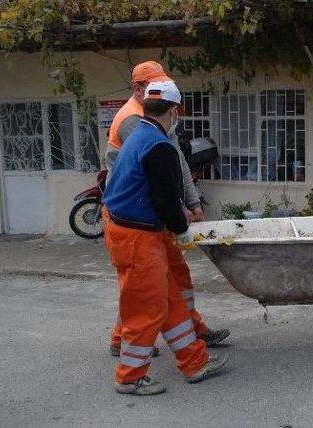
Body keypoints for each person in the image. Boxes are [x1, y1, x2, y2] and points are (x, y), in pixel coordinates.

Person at [103, 81, 228, 395]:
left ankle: (194, 362)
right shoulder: (159, 146)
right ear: (174, 111)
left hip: (134, 229)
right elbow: (166, 200)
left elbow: (156, 194)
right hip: (137, 236)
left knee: (171, 301)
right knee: (147, 309)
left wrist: (176, 216)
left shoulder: (140, 135)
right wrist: (184, 229)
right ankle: (130, 377)